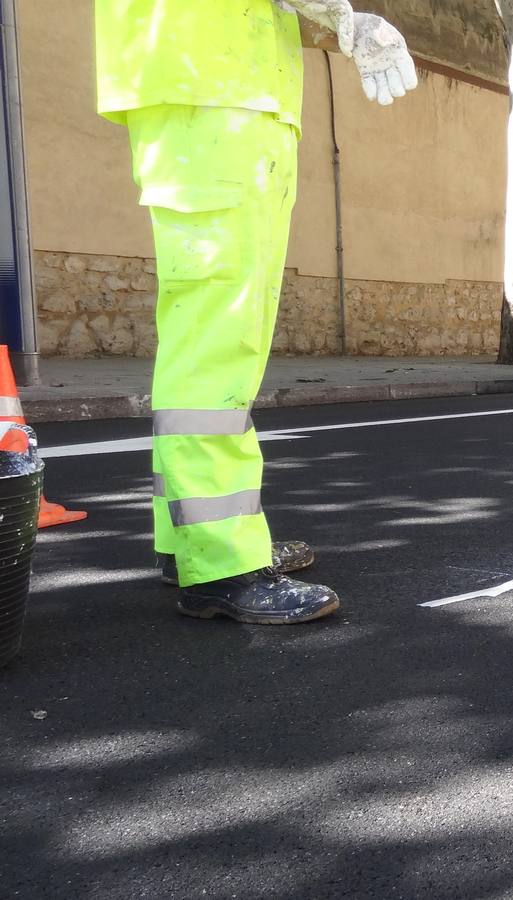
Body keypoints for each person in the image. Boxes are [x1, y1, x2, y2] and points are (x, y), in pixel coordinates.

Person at [96, 1, 418, 624]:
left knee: (208, 334)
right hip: (214, 94)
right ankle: (222, 564)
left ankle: (192, 541)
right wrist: (345, 18)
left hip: (223, 95)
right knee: (218, 341)